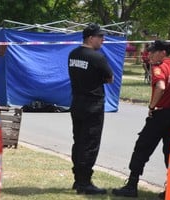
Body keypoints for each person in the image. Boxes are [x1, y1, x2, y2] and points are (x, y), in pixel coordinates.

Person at [112, 40, 170, 199]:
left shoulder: (159, 68)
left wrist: (152, 107)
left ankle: (131, 185)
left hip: (159, 115)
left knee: (142, 147)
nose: (149, 55)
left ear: (163, 53)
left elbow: (160, 87)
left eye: (152, 52)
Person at [68, 23, 114, 195]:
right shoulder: (97, 57)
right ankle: (85, 182)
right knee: (90, 144)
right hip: (93, 106)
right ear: (90, 38)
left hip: (77, 103)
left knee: (79, 142)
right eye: (100, 36)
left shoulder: (73, 54)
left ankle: (77, 179)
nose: (103, 39)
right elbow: (110, 78)